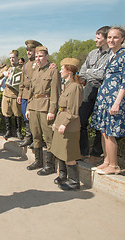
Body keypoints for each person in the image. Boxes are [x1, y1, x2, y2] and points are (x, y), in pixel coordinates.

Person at [90, 26, 125, 175]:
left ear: (122, 39)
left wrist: (117, 102)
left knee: (110, 132)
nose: (111, 40)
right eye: (109, 37)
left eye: (115, 37)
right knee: (103, 131)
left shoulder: (123, 56)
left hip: (114, 99)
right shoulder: (111, 55)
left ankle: (114, 165)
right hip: (104, 97)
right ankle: (106, 161)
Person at [25, 46, 61, 175]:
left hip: (46, 108)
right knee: (36, 136)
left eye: (40, 56)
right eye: (36, 57)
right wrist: (28, 108)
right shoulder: (35, 71)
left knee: (49, 137)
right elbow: (31, 91)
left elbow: (55, 92)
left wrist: (52, 110)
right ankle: (38, 161)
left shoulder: (53, 71)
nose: (38, 59)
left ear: (46, 56)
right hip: (34, 106)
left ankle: (49, 165)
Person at [78, 26, 111, 164]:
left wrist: (90, 72)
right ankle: (82, 151)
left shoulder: (112, 54)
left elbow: (103, 74)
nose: (95, 40)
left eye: (98, 37)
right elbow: (82, 72)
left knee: (99, 124)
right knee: (81, 119)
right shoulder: (92, 53)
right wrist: (93, 72)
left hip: (104, 89)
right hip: (89, 88)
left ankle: (96, 154)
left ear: (105, 38)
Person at [50, 58, 84, 191]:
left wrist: (63, 124)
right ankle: (63, 176)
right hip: (62, 123)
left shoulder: (75, 87)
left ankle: (74, 182)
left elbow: (73, 111)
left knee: (69, 154)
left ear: (69, 71)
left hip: (70, 126)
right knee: (61, 151)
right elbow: (62, 108)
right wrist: (57, 123)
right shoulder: (68, 85)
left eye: (62, 68)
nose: (60, 71)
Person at [17, 40, 43, 148]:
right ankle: (28, 138)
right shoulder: (25, 65)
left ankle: (36, 140)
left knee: (34, 118)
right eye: (27, 50)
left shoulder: (38, 64)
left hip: (35, 94)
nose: (29, 52)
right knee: (25, 117)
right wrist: (20, 94)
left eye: (31, 50)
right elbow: (22, 81)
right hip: (25, 94)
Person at [1, 50, 23, 139]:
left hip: (15, 94)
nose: (11, 59)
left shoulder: (21, 68)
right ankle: (8, 131)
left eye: (13, 57)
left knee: (17, 114)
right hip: (6, 93)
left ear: (17, 57)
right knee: (6, 113)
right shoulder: (7, 67)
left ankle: (18, 131)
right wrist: (3, 73)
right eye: (10, 58)